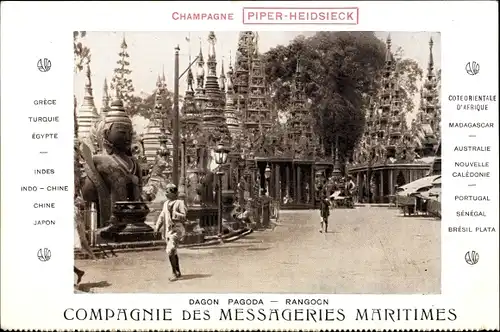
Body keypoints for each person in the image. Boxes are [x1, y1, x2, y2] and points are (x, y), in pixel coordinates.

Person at [155, 184, 187, 282]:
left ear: (174, 193)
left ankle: (174, 272)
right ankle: (177, 271)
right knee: (173, 251)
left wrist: (174, 213)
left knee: (170, 250)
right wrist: (157, 227)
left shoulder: (179, 203)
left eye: (168, 191)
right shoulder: (165, 204)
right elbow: (161, 216)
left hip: (177, 229)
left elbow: (184, 215)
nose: (166, 193)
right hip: (168, 231)